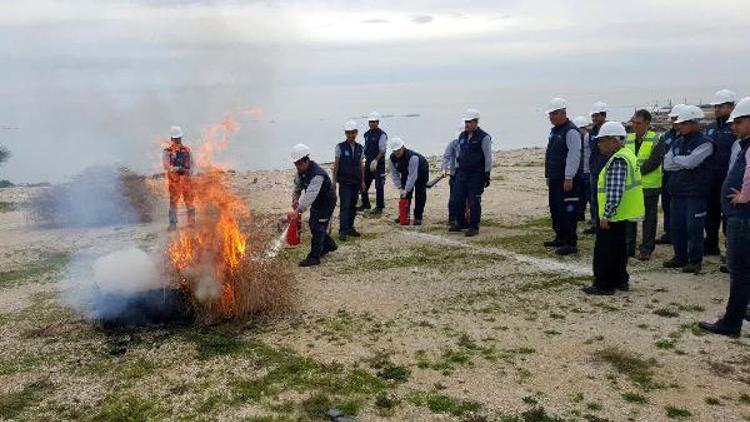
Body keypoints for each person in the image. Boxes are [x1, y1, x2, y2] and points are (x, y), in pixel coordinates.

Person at [698, 97, 750, 337]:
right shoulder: (744, 144)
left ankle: (731, 322)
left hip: (742, 215)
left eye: (738, 121)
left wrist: (744, 196)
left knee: (738, 269)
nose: (733, 127)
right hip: (740, 215)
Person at [583, 122, 645, 295]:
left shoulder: (618, 160)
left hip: (613, 215)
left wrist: (606, 215)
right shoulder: (627, 155)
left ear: (614, 141)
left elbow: (614, 191)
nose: (599, 144)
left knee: (605, 250)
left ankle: (604, 284)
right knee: (618, 249)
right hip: (622, 214)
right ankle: (620, 280)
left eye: (603, 140)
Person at [663, 105, 714, 274]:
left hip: (695, 193)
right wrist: (682, 161)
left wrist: (680, 161)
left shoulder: (705, 143)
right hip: (677, 192)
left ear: (694, 123)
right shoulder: (678, 141)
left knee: (694, 228)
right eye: (680, 123)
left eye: (684, 123)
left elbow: (692, 162)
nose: (680, 126)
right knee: (677, 227)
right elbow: (667, 164)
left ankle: (695, 260)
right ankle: (680, 257)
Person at [543, 98, 583, 255]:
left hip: (567, 179)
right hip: (555, 178)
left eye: (554, 113)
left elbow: (574, 155)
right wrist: (549, 175)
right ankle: (560, 236)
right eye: (550, 114)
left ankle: (570, 242)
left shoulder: (571, 131)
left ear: (563, 113)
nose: (552, 117)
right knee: (556, 209)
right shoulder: (555, 131)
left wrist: (569, 177)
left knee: (568, 210)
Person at [625, 109, 665, 261]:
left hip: (649, 187)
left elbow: (654, 161)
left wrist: (636, 173)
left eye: (638, 123)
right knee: (630, 218)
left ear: (647, 124)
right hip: (631, 187)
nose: (635, 126)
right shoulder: (628, 139)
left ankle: (646, 248)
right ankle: (628, 247)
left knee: (649, 219)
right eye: (633, 123)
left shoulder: (657, 139)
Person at [290, 144, 338, 267]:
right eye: (296, 164)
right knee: (313, 224)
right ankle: (329, 245)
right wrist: (295, 199)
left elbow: (310, 195)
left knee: (318, 227)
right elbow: (297, 186)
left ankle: (314, 257)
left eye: (299, 164)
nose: (297, 167)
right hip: (317, 202)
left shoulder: (317, 175)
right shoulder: (300, 171)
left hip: (326, 201)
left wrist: (299, 209)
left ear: (306, 160)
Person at [704, 89, 738, 256]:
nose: (717, 109)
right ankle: (711, 244)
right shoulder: (710, 127)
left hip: (729, 176)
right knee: (711, 212)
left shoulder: (735, 127)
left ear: (731, 106)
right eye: (716, 106)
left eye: (721, 106)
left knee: (729, 214)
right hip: (710, 177)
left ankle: (730, 249)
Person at [450, 108, 493, 237]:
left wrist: (487, 174)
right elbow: (459, 153)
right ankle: (461, 222)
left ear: (476, 122)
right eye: (466, 122)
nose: (467, 124)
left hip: (476, 174)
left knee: (474, 200)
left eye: (470, 122)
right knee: (457, 199)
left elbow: (488, 157)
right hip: (462, 173)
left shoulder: (484, 137)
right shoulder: (462, 136)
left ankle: (474, 226)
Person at [656, 104, 686, 245]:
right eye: (672, 119)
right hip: (667, 175)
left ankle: (680, 234)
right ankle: (669, 232)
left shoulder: (687, 136)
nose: (674, 122)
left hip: (682, 177)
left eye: (676, 119)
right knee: (667, 206)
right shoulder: (667, 135)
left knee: (681, 207)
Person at [333, 120, 365, 241]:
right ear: (345, 134)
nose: (350, 135)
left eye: (352, 133)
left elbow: (361, 165)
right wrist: (334, 181)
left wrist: (362, 181)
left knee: (353, 206)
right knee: (345, 206)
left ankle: (350, 228)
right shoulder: (340, 147)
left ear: (356, 133)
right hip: (344, 182)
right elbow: (336, 165)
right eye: (348, 133)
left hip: (356, 182)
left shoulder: (360, 148)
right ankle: (343, 230)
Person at [389, 138, 429, 225]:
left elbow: (412, 176)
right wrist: (400, 188)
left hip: (421, 170)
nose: (397, 152)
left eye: (399, 150)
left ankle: (418, 216)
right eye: (395, 151)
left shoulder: (412, 157)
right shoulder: (392, 158)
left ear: (403, 147)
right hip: (406, 172)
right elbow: (394, 174)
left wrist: (406, 190)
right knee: (405, 195)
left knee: (420, 193)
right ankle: (404, 215)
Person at [163, 126, 195, 231]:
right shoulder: (167, 151)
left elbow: (192, 164)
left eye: (178, 138)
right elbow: (166, 165)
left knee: (189, 201)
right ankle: (173, 224)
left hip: (186, 181)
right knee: (173, 203)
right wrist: (177, 168)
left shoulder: (187, 150)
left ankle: (191, 222)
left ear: (181, 138)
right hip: (174, 182)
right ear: (172, 139)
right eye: (175, 139)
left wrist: (189, 172)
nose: (177, 140)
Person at [586, 101, 610, 234]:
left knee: (604, 198)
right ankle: (595, 223)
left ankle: (604, 222)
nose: (594, 119)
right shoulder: (592, 131)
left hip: (605, 168)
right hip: (594, 168)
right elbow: (593, 148)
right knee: (594, 197)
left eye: (596, 116)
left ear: (603, 115)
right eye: (593, 116)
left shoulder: (608, 130)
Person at [360, 112, 388, 215]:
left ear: (378, 122)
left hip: (378, 164)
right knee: (363, 184)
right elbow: (365, 147)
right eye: (370, 122)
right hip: (368, 163)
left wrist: (376, 160)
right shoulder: (366, 134)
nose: (372, 123)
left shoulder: (382, 135)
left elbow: (382, 150)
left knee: (379, 186)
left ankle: (379, 207)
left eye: (374, 122)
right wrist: (361, 157)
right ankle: (365, 204)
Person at [442, 122, 464, 227]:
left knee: (467, 198)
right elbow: (446, 156)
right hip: (455, 173)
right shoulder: (453, 143)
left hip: (468, 173)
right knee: (454, 198)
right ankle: (452, 219)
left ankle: (463, 219)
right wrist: (444, 169)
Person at [572, 116, 592, 223]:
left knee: (589, 196)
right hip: (580, 171)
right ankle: (580, 215)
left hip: (588, 171)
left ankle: (593, 218)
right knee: (580, 195)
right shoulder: (577, 139)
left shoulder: (589, 138)